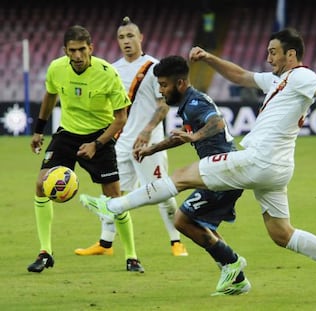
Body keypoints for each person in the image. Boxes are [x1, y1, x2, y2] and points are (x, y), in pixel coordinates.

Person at [80, 28, 316, 300]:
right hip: (276, 168)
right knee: (281, 233)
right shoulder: (280, 81)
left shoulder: (301, 76)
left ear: (291, 55)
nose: (268, 57)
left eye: (274, 52)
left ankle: (115, 206)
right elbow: (243, 76)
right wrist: (209, 58)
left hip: (259, 158)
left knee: (180, 176)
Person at [27, 25, 144, 273]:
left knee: (115, 197)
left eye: (82, 50)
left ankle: (132, 256)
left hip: (100, 135)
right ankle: (45, 252)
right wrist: (39, 129)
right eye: (72, 51)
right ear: (65, 51)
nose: (77, 56)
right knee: (40, 184)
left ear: (91, 48)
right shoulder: (56, 68)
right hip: (67, 133)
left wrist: (97, 144)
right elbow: (50, 95)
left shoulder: (107, 73)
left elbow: (121, 118)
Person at [74, 17, 188, 259]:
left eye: (130, 36)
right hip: (121, 143)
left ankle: (176, 239)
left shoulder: (154, 68)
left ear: (140, 38)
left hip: (150, 143)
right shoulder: (112, 69)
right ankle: (105, 243)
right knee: (112, 194)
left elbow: (164, 104)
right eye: (121, 37)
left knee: (161, 191)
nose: (126, 41)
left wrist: (147, 131)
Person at [135, 55, 247, 295]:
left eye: (164, 85)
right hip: (224, 171)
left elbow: (216, 123)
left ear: (180, 84)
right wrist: (151, 149)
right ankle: (237, 279)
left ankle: (233, 263)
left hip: (222, 172)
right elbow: (182, 136)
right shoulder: (188, 104)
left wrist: (195, 137)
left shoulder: (196, 104)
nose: (161, 90)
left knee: (182, 220)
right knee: (202, 225)